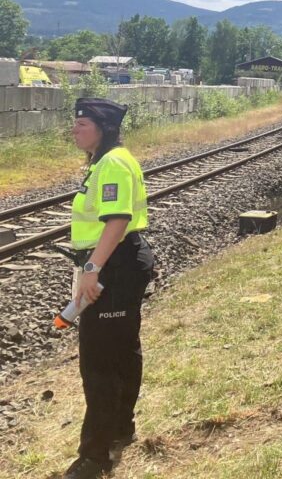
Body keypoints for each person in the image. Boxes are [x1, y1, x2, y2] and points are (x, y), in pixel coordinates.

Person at [64, 98, 154, 479]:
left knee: (99, 361)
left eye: (82, 123)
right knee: (120, 351)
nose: (75, 129)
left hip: (112, 266)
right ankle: (119, 428)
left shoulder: (113, 162)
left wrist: (91, 268)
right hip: (116, 264)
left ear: (104, 127)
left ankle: (95, 457)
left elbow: (117, 221)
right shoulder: (104, 161)